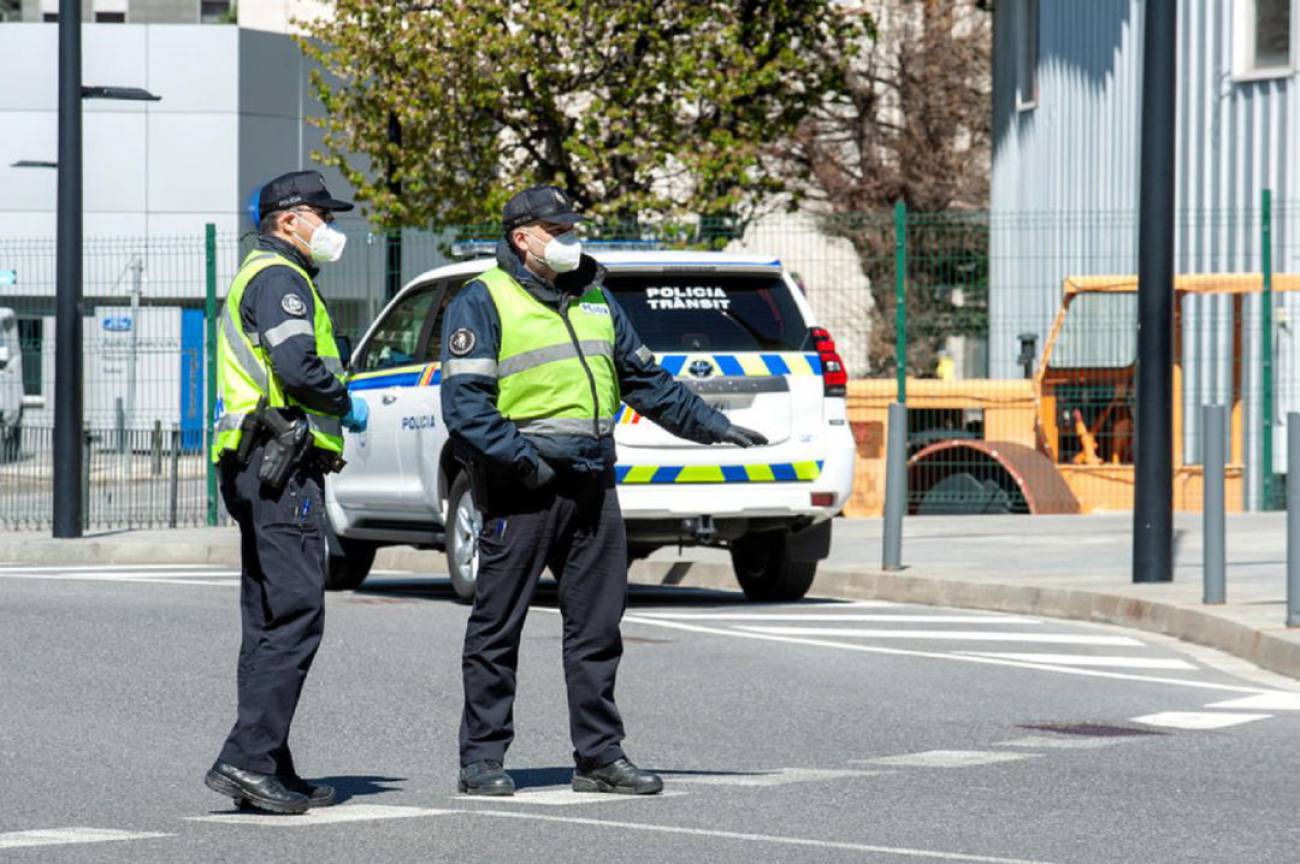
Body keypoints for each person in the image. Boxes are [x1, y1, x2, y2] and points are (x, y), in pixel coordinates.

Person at [441, 185, 767, 796]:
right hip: (523, 489)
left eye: (571, 228)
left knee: (597, 629)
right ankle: (481, 759)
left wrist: (714, 427)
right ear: (523, 237)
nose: (570, 238)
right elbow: (466, 408)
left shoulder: (594, 298)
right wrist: (524, 464)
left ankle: (599, 757)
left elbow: (646, 381)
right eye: (557, 230)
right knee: (497, 626)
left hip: (593, 481)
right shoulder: (483, 301)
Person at [204, 170, 369, 814]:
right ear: (290, 219)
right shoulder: (280, 279)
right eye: (323, 216)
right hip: (280, 463)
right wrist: (345, 402)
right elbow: (299, 367)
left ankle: (269, 760)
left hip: (255, 462)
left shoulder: (262, 274)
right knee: (297, 613)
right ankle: (245, 760)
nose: (331, 228)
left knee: (268, 617)